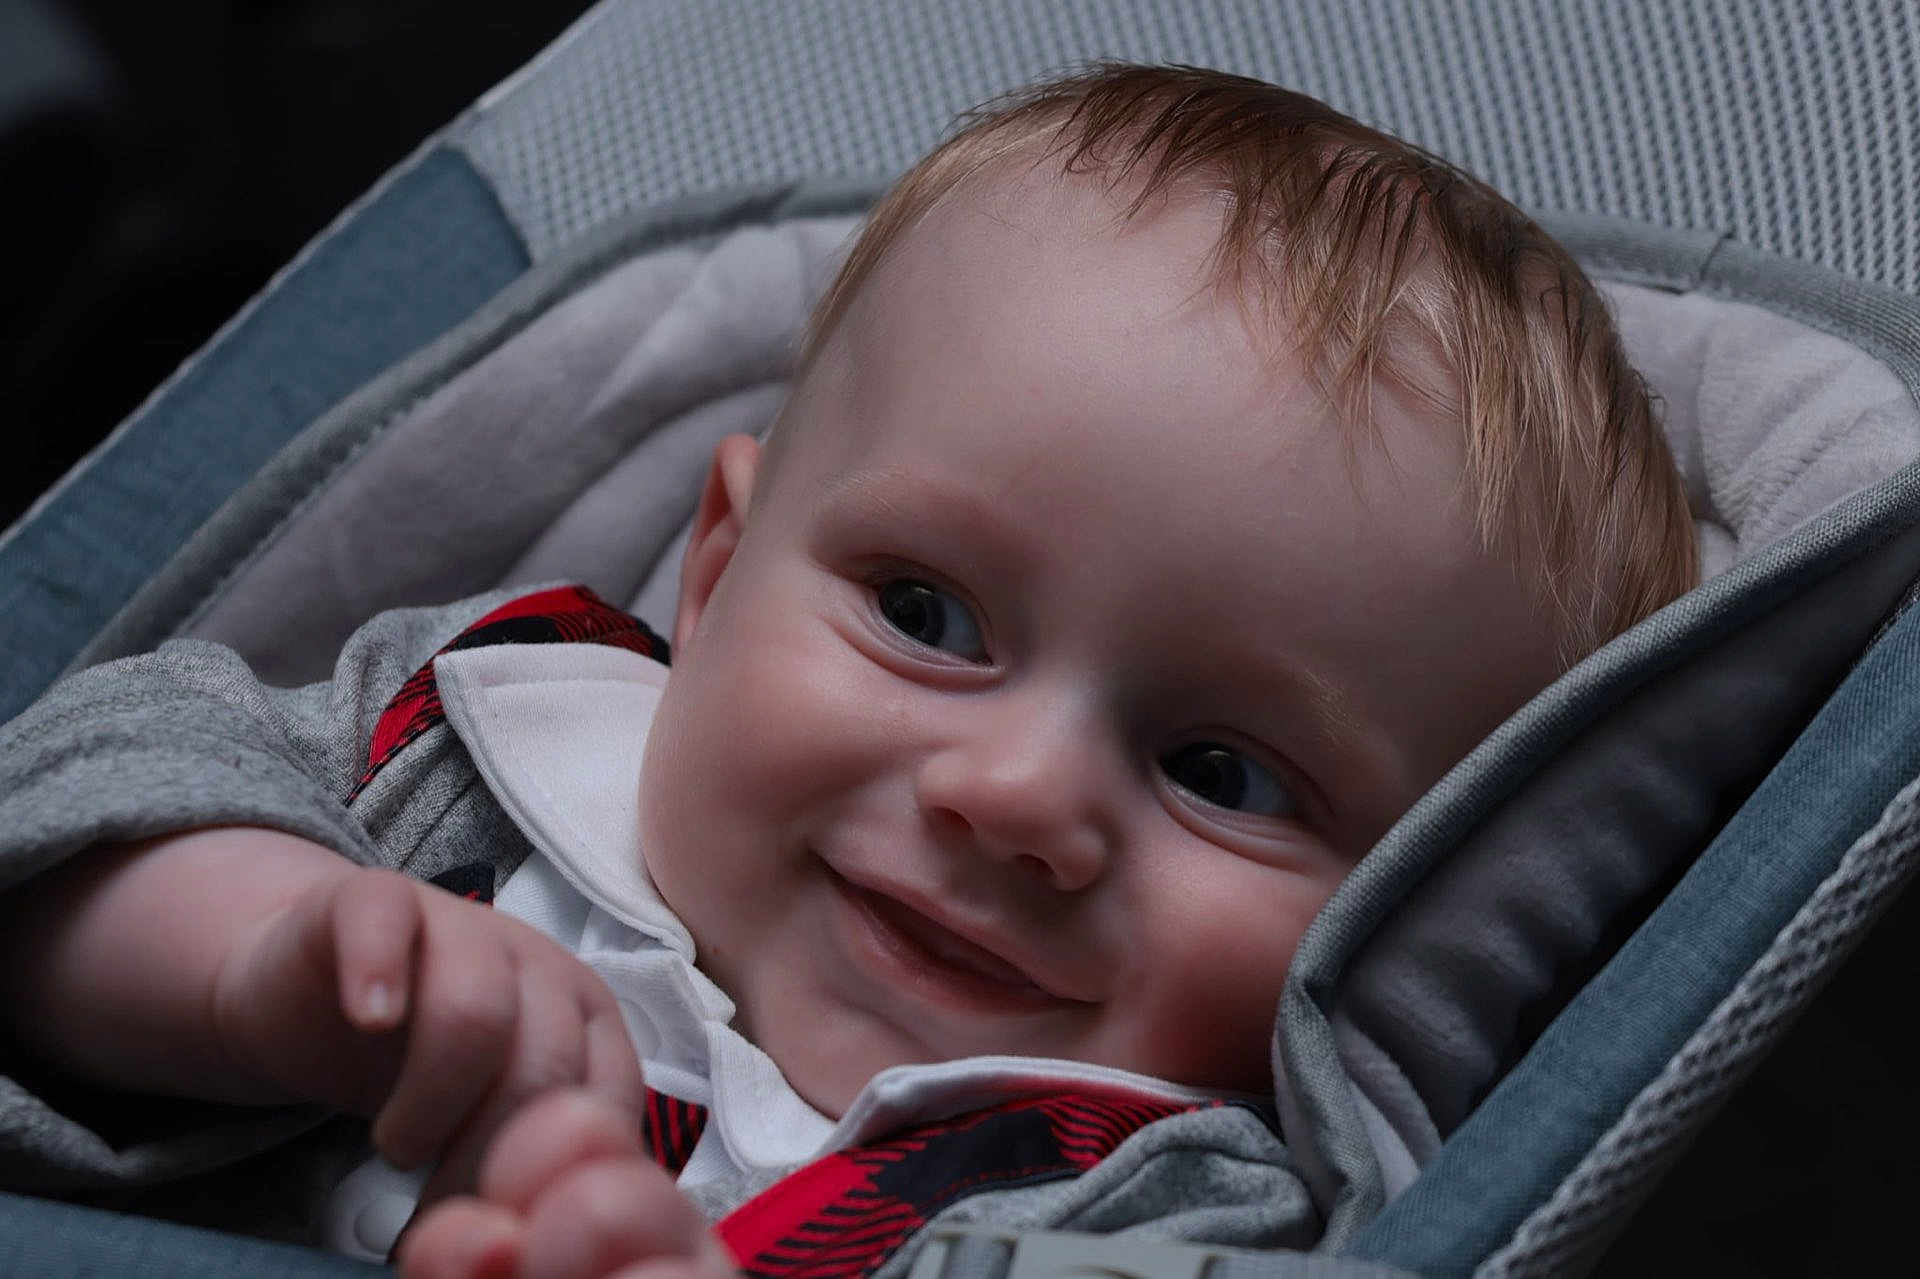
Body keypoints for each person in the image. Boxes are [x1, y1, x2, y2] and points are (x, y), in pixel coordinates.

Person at [0, 64, 1696, 1279]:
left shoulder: (1166, 1202)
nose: (1020, 799)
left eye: (1224, 773)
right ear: (721, 568)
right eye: (928, 615)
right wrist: (259, 961)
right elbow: (56, 823)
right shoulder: (478, 735)